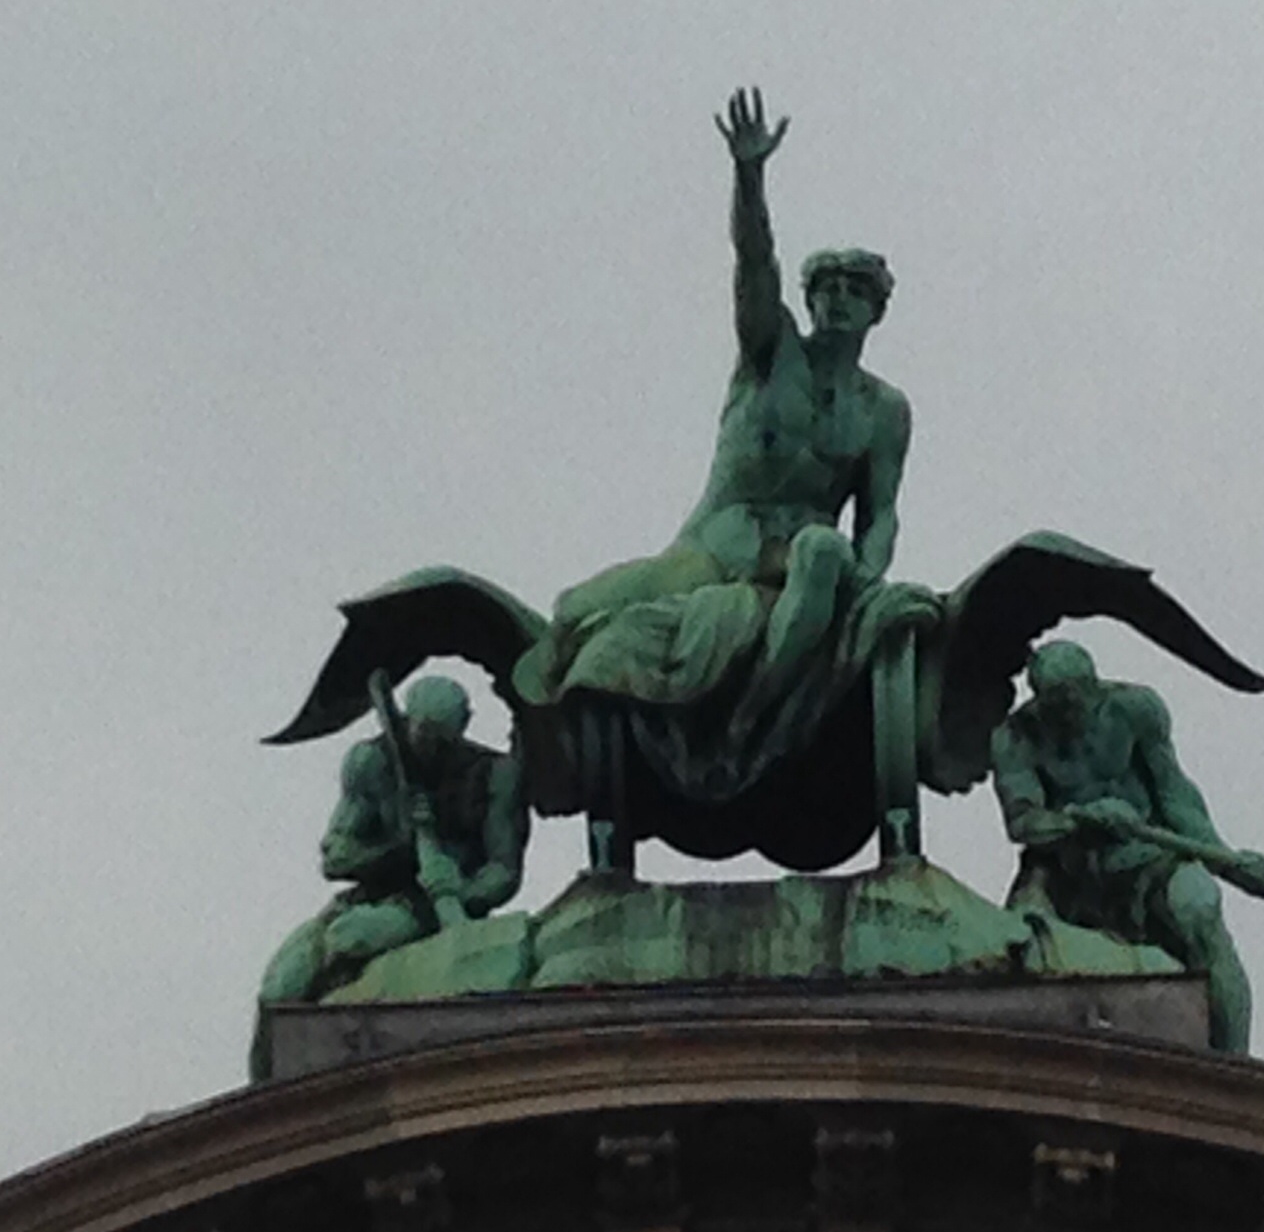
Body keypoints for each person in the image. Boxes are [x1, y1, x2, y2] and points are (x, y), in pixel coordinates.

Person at [515, 87, 933, 797]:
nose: (837, 299)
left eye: (854, 290)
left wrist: (867, 576)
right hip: (715, 546)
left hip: (800, 559)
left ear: (875, 310)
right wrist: (750, 176)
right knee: (573, 614)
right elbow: (754, 262)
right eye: (826, 288)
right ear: (809, 300)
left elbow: (881, 512)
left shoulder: (884, 410)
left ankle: (748, 724)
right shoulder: (772, 353)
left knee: (825, 549)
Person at [991, 642, 1264, 1053]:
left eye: (1074, 700)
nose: (1067, 714)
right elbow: (1023, 823)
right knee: (1013, 952)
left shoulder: (1135, 709)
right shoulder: (1014, 739)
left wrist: (1225, 860)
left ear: (1093, 687)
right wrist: (1078, 819)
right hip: (1065, 873)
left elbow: (1174, 793)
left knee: (1199, 908)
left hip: (1147, 857)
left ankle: (1235, 1062)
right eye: (1055, 705)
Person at [259, 676, 527, 1003]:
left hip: (426, 909)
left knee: (351, 936)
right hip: (368, 896)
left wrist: (460, 890)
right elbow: (336, 858)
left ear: (464, 726)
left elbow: (504, 869)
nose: (432, 749)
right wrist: (402, 847)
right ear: (407, 719)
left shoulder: (495, 774)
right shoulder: (371, 761)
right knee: (282, 985)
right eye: (424, 735)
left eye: (443, 741)